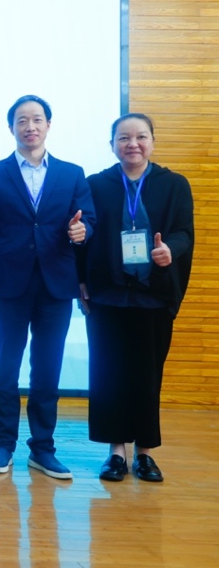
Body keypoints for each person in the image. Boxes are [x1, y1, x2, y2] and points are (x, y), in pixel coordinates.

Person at [0, 95, 96, 479]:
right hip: (7, 287)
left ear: (48, 125)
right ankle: (2, 443)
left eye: (37, 119)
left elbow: (89, 219)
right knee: (5, 369)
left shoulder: (71, 173)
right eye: (22, 120)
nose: (30, 126)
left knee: (47, 371)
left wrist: (82, 230)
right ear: (10, 127)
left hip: (55, 286)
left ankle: (42, 448)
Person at [80, 113, 194, 483]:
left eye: (141, 137)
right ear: (112, 144)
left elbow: (184, 233)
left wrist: (169, 250)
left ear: (152, 142)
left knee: (147, 375)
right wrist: (80, 282)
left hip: (152, 295)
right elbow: (84, 236)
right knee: (108, 373)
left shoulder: (173, 184)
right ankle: (116, 452)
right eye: (124, 138)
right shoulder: (96, 184)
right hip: (108, 295)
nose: (133, 144)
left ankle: (145, 453)